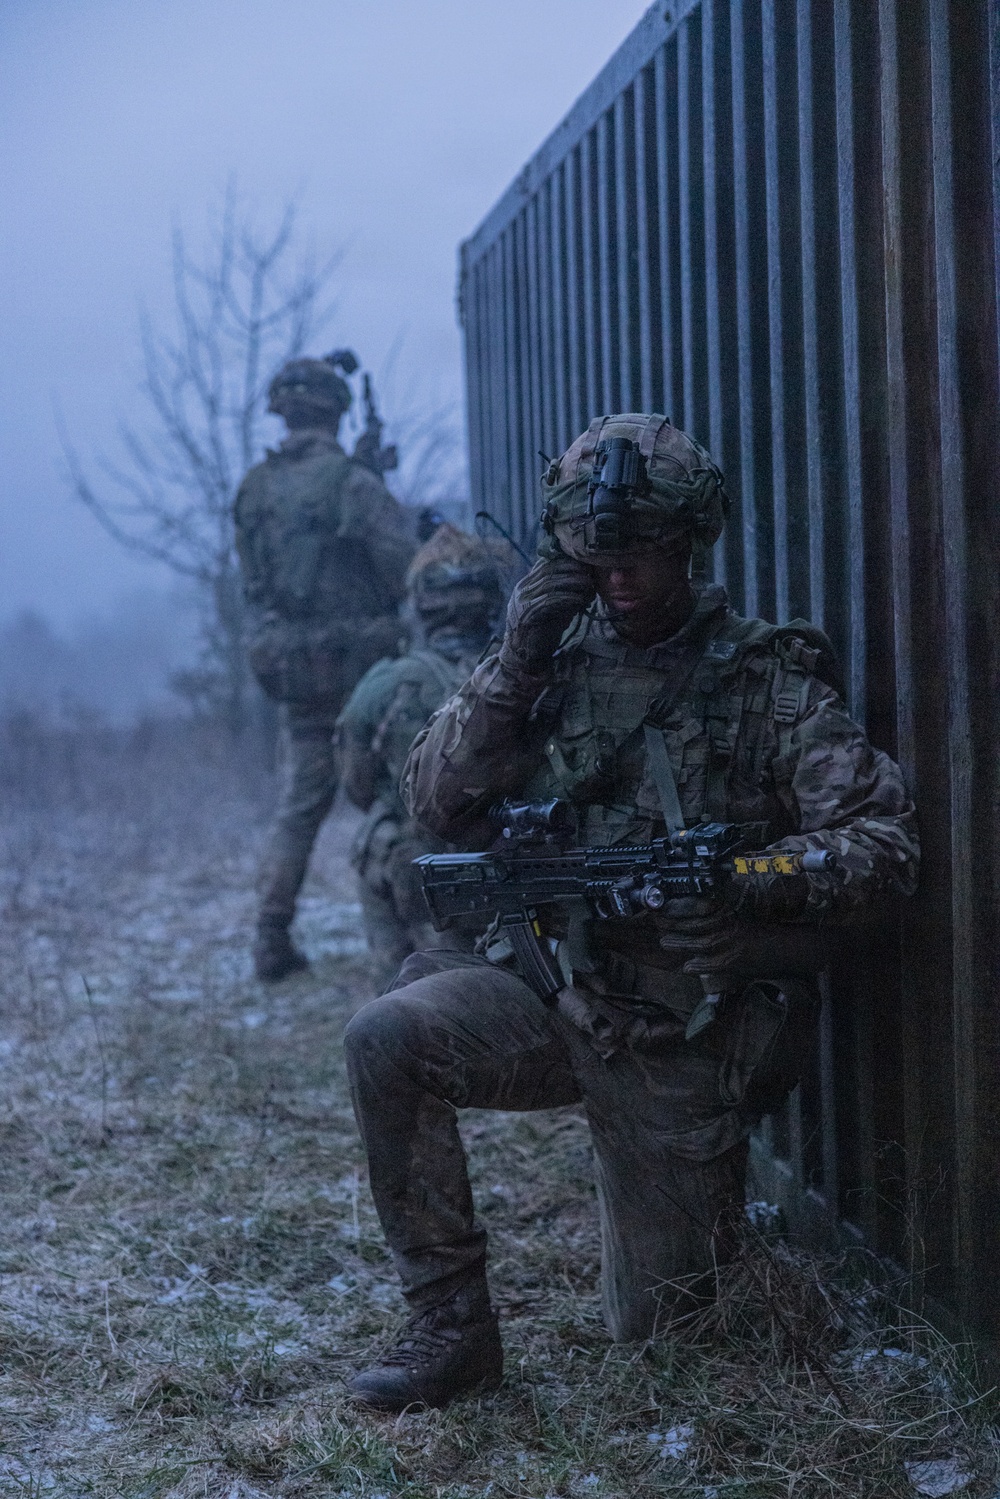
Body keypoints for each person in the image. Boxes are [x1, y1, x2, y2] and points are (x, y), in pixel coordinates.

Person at [343, 413, 919, 1412]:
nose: (616, 572)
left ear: (689, 541)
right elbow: (433, 802)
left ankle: (689, 1238)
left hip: (678, 1031)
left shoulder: (760, 681)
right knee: (386, 1035)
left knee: (668, 1353)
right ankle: (451, 1328)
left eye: (642, 548)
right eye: (594, 549)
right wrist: (517, 653)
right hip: (551, 992)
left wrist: (750, 882)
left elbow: (884, 843)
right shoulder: (543, 666)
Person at [235, 351, 416, 981]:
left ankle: (269, 937)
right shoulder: (352, 483)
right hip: (365, 673)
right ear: (337, 413)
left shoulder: (255, 487)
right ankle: (407, 946)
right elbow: (403, 571)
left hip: (294, 672)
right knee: (397, 800)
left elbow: (256, 584)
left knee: (299, 807)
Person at [336, 524, 508, 991]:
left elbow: (358, 786)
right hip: (510, 870)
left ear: (421, 603)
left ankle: (392, 989)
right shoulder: (527, 672)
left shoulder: (384, 685)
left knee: (379, 833)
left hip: (421, 870)